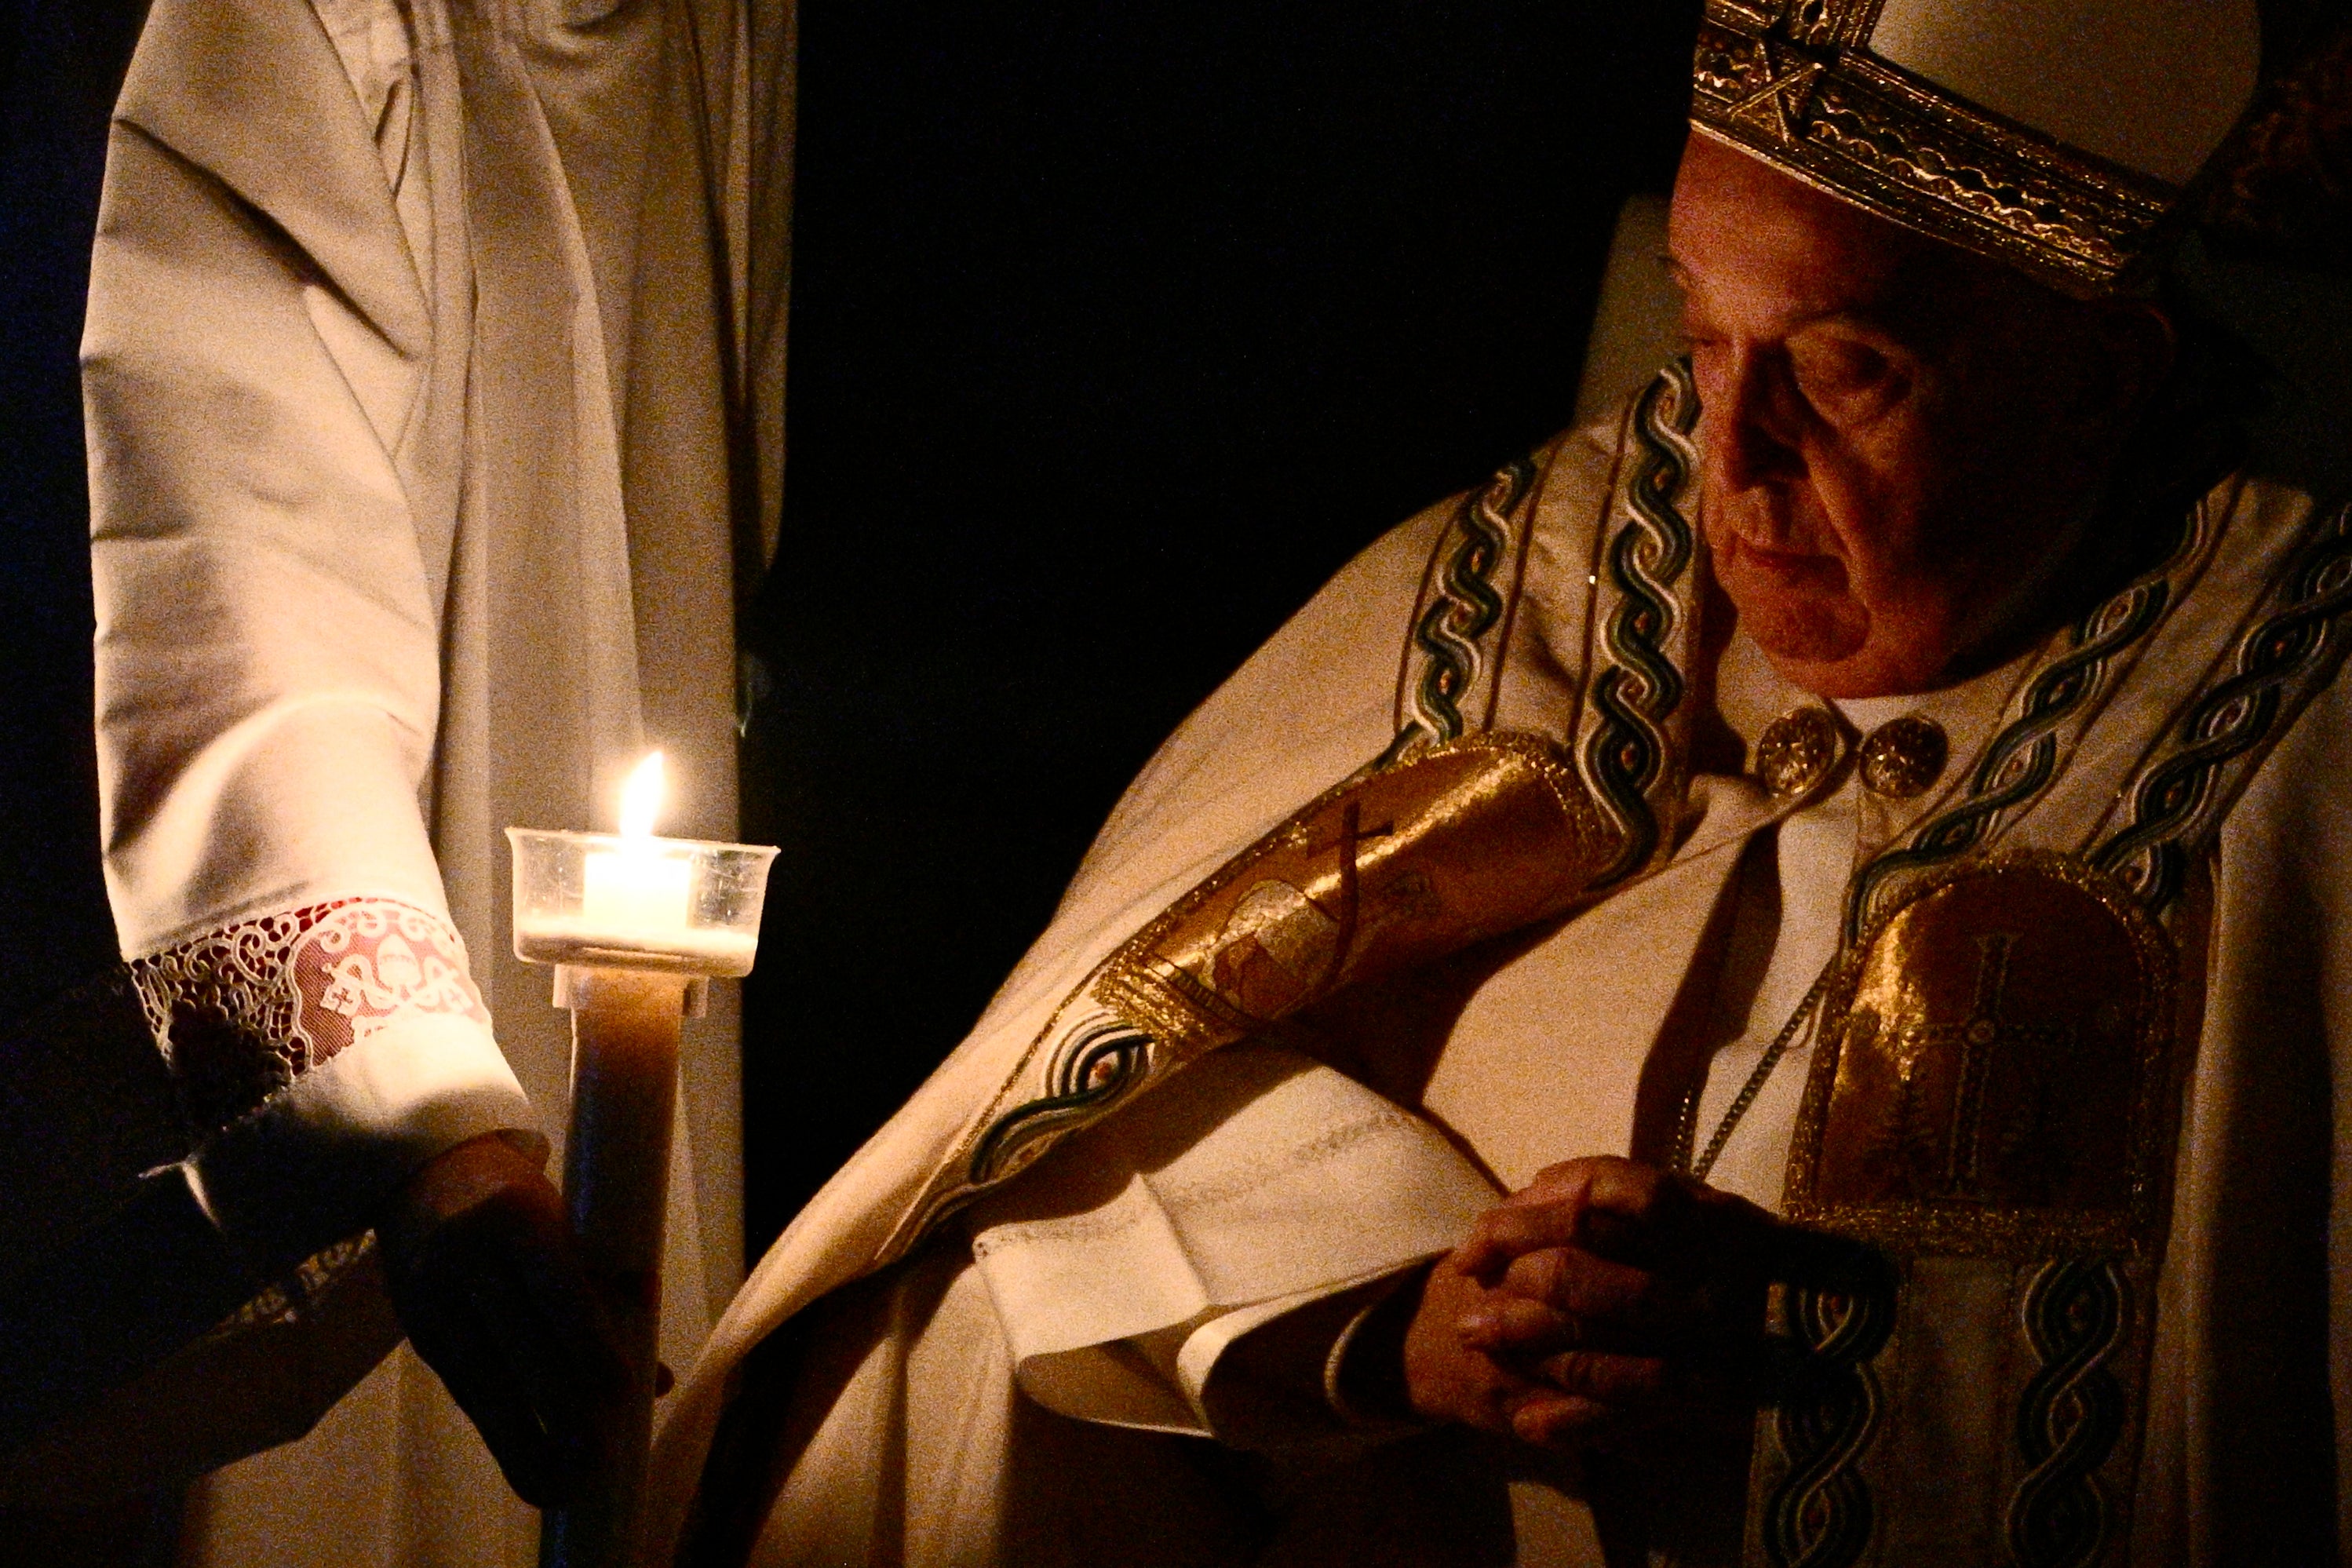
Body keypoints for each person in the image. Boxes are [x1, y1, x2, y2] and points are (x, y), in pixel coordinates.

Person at [648, 3, 2352, 1564]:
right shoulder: (1543, 586)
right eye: (1700, 338)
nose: (1732, 462)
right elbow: (1082, 1112)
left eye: (1845, 371)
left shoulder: (2284, 746)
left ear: (2095, 378)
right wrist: (1383, 1322)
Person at [47, 0, 788, 1563]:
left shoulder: (738, 37)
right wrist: (415, 1131)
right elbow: (235, 570)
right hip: (383, 1011)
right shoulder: (309, 27)